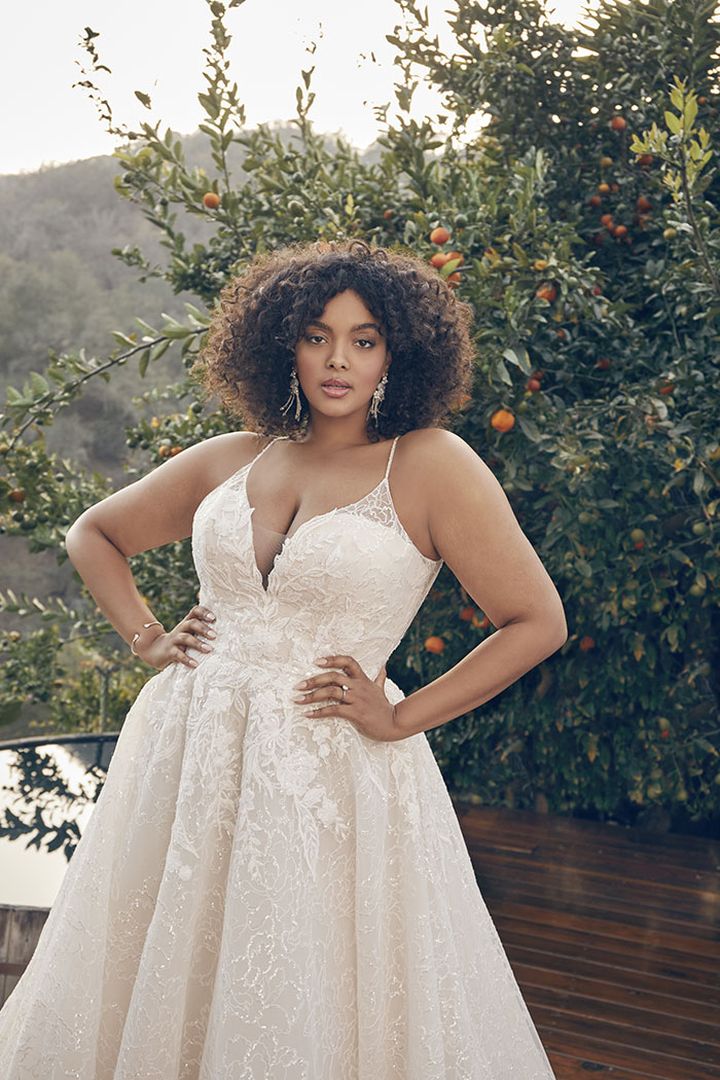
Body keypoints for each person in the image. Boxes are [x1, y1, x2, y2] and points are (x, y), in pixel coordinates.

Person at [0, 238, 564, 1078]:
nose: (338, 359)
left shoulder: (432, 465)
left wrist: (401, 715)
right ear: (281, 345)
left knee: (300, 976)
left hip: (326, 766)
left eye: (364, 339)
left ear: (396, 354)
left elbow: (537, 620)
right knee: (161, 963)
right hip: (186, 748)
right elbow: (96, 533)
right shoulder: (239, 454)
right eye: (316, 334)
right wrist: (146, 637)